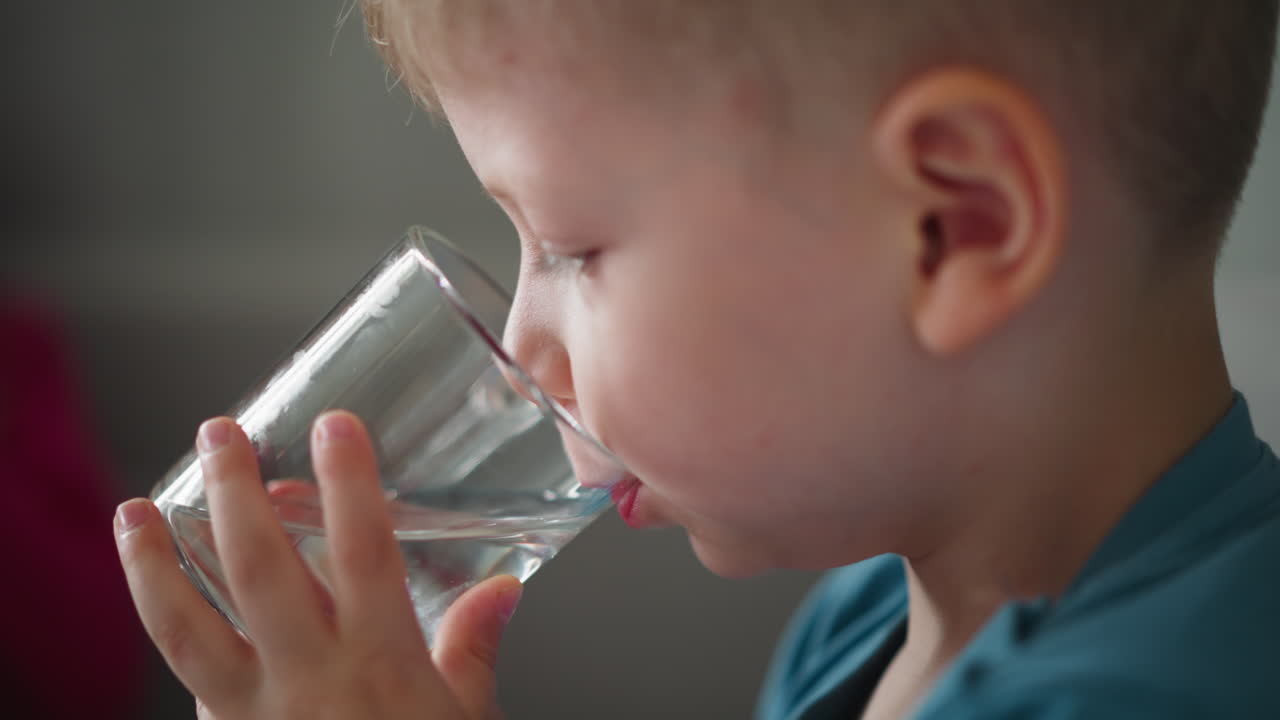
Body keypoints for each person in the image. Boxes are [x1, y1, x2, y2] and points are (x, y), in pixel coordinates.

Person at [114, 3, 1280, 718]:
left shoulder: (1143, 698)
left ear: (952, 227)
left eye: (570, 246)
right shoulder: (870, 616)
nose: (518, 349)